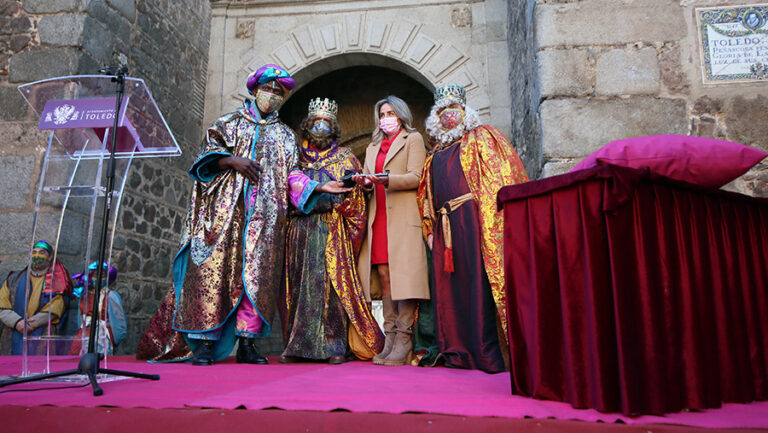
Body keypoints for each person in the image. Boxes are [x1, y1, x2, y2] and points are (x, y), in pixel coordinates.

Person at [138, 64, 310, 366]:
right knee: (213, 275)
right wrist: (231, 161)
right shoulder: (228, 123)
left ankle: (247, 344)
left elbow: (293, 175)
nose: (271, 95)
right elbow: (204, 158)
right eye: (267, 89)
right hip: (223, 215)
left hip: (265, 220)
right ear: (254, 91)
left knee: (256, 280)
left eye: (277, 92)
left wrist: (315, 189)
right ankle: (205, 343)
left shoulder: (286, 136)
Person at [417, 84, 529, 373]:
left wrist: (489, 221)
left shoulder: (482, 137)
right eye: (441, 110)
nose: (447, 115)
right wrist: (430, 231)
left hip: (472, 222)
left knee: (477, 285)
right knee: (449, 291)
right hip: (445, 228)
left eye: (452, 108)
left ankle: (485, 352)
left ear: (465, 111)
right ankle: (457, 351)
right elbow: (426, 196)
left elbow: (501, 176)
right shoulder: (435, 154)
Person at [279, 97, 384, 364]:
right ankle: (297, 347)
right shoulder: (295, 158)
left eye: (327, 123)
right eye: (317, 122)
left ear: (334, 128)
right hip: (299, 230)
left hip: (331, 231)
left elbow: (357, 197)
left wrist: (351, 193)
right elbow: (281, 190)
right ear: (308, 125)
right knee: (299, 288)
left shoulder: (346, 157)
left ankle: (333, 347)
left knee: (330, 288)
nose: (321, 127)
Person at [352, 96, 429, 366]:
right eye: (383, 113)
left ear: (401, 115)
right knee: (384, 273)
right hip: (379, 215)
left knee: (403, 276)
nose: (386, 117)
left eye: (391, 113)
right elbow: (368, 180)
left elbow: (416, 177)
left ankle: (404, 339)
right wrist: (364, 182)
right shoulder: (372, 147)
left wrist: (385, 179)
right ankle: (390, 336)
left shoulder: (413, 139)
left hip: (404, 215)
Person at [0, 240, 72, 355]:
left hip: (42, 333)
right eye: (34, 252)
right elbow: (2, 306)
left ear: (50, 257)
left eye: (42, 252)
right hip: (12, 331)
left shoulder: (57, 280)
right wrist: (17, 322)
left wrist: (30, 324)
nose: (37, 255)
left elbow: (56, 307)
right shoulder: (13, 278)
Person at [68, 261, 127, 356]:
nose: (98, 277)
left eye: (102, 275)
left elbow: (118, 319)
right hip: (83, 332)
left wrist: (117, 338)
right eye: (95, 274)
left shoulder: (111, 296)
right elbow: (80, 317)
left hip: (101, 333)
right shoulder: (85, 295)